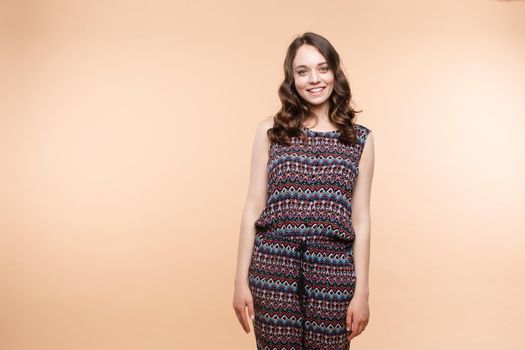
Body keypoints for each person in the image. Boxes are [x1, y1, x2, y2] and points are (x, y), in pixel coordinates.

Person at [233, 32, 375, 350]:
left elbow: (361, 219)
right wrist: (240, 281)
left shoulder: (360, 139)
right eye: (303, 71)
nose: (314, 79)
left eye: (322, 68)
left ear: (335, 72)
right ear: (292, 78)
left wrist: (362, 291)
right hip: (272, 269)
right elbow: (252, 208)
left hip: (334, 272)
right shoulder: (270, 131)